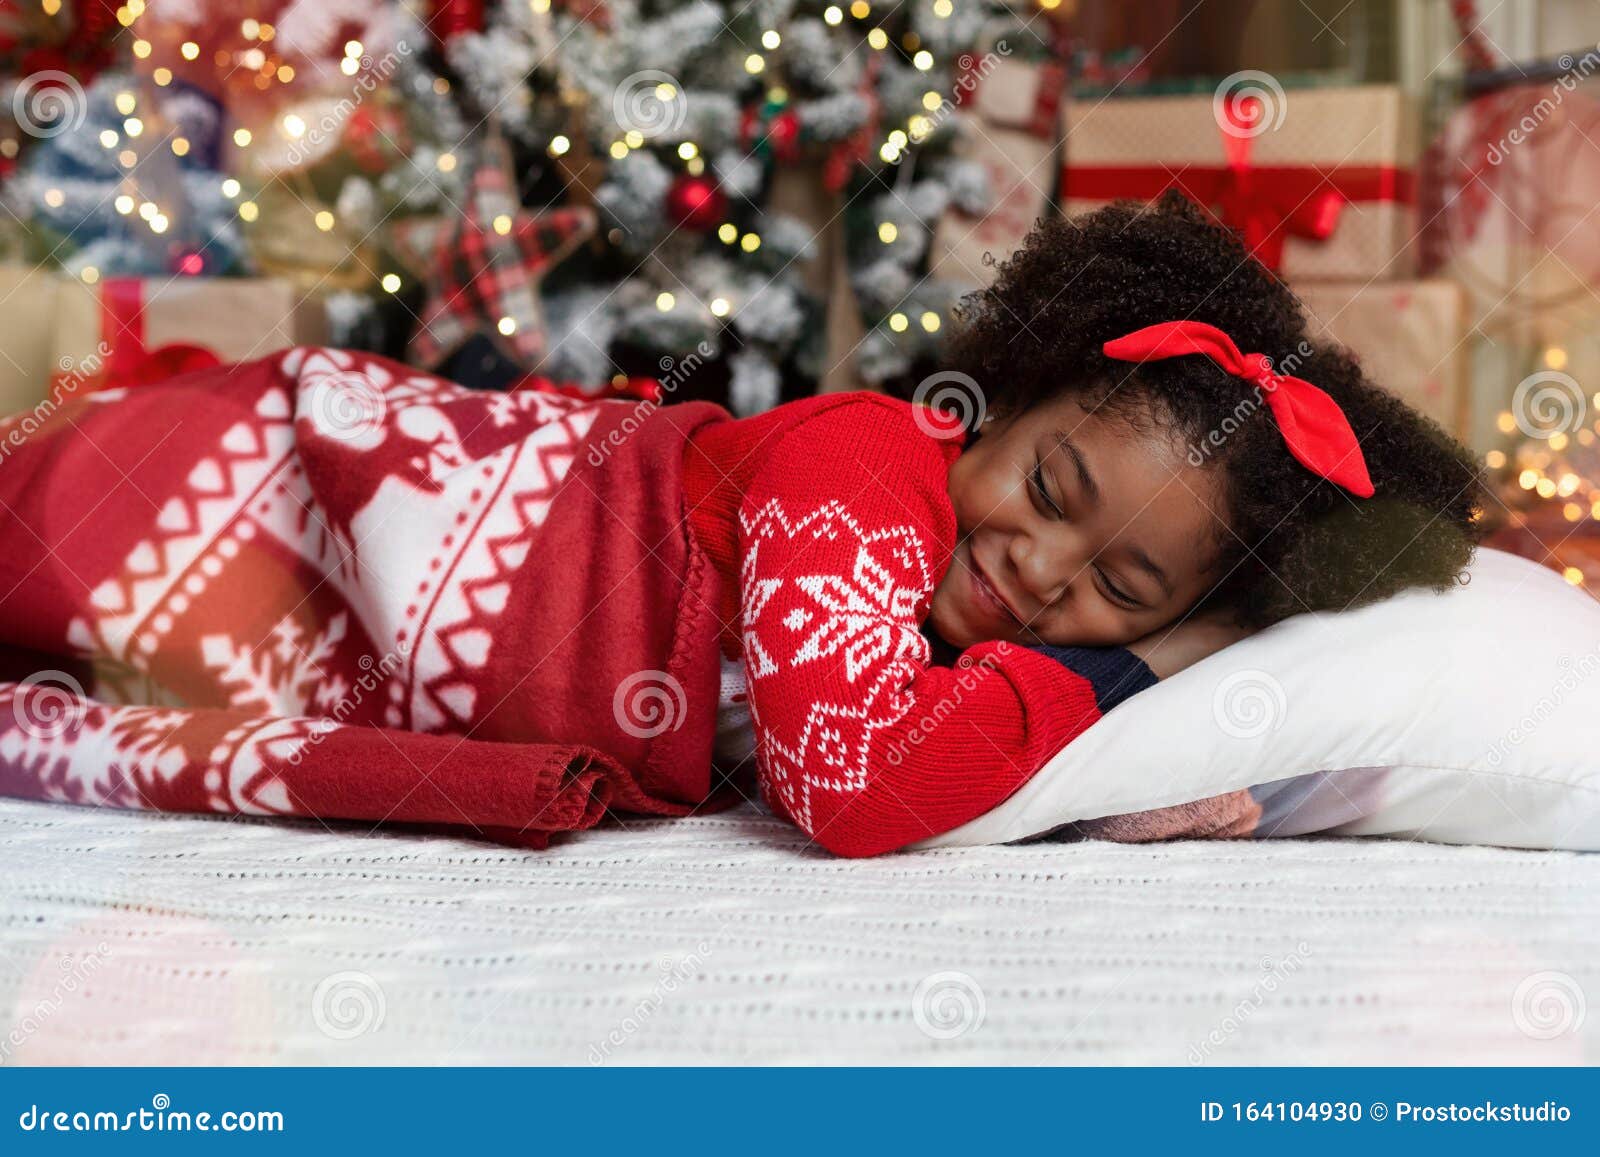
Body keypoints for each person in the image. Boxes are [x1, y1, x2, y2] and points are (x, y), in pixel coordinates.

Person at [0, 195, 1483, 857]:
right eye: (1049, 492)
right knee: (54, 539)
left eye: (1122, 587)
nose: (1043, 571)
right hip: (287, 485)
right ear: (999, 407)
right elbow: (851, 777)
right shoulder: (865, 470)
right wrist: (1138, 663)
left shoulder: (956, 634)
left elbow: (958, 736)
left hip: (347, 643)